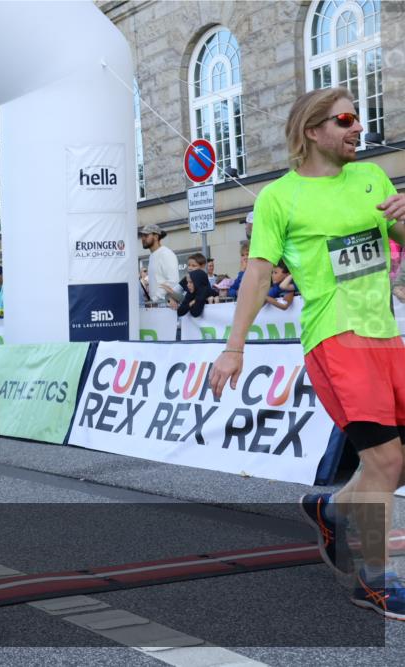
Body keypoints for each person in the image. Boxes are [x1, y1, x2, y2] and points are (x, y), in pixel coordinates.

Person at [210, 87, 405, 619]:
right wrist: (234, 348)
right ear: (311, 130)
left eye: (357, 119)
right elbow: (257, 272)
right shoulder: (281, 197)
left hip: (386, 334)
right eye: (344, 119)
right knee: (384, 461)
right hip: (334, 337)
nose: (356, 128)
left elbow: (400, 237)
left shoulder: (373, 179)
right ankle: (375, 581)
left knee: (397, 464)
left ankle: (331, 509)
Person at [139, 224, 179, 304]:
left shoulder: (166, 254)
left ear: (156, 237)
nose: (143, 238)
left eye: (146, 235)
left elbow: (173, 280)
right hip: (157, 305)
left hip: (166, 305)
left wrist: (155, 298)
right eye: (142, 236)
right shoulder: (152, 256)